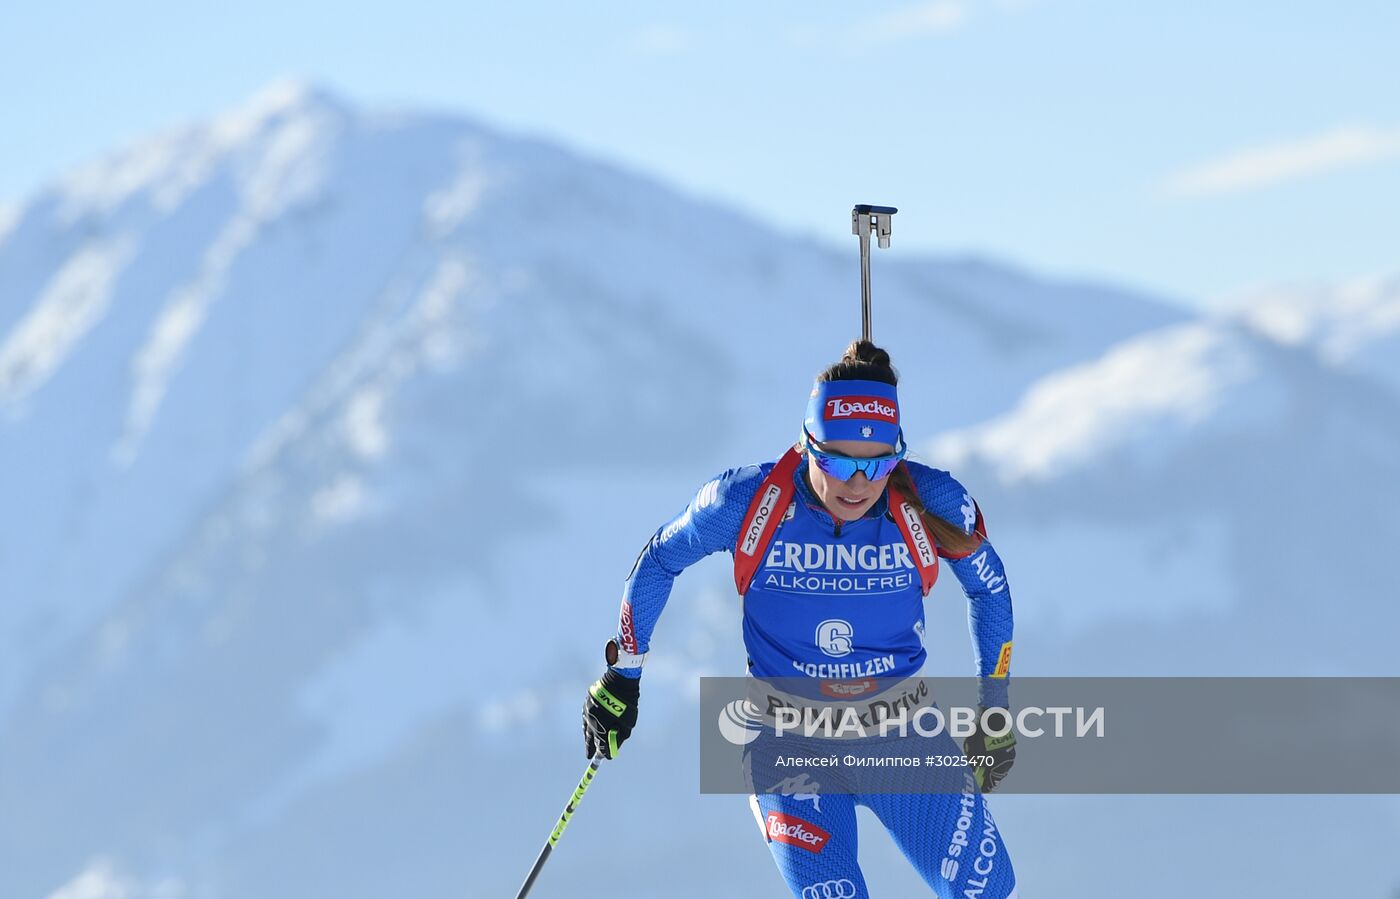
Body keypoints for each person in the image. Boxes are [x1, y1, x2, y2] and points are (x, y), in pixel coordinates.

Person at [582, 340, 1019, 898]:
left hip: (903, 735)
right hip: (789, 747)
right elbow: (660, 559)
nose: (858, 484)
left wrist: (996, 706)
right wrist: (625, 672)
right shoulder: (745, 500)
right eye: (838, 462)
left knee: (987, 891)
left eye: (878, 463)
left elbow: (991, 590)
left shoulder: (932, 501)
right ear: (807, 443)